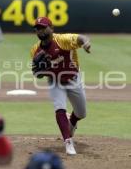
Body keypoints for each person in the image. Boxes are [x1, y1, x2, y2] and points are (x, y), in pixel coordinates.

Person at [30, 17, 91, 155]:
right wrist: (41, 70)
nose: (40, 31)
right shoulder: (35, 50)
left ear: (51, 28)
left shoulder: (62, 40)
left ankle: (72, 121)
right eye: (37, 28)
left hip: (73, 78)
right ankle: (68, 143)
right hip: (55, 81)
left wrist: (86, 43)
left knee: (82, 113)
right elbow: (37, 73)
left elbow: (81, 38)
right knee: (59, 108)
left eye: (43, 27)